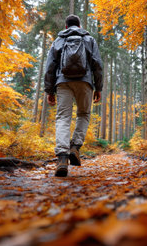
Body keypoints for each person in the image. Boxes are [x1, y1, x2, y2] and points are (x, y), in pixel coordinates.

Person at [44, 15, 103, 177]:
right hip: (85, 82)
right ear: (79, 25)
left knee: (63, 117)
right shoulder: (89, 39)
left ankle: (62, 159)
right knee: (83, 114)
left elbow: (50, 66)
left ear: (66, 27)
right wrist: (99, 87)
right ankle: (75, 147)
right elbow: (97, 64)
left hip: (63, 82)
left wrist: (49, 90)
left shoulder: (59, 40)